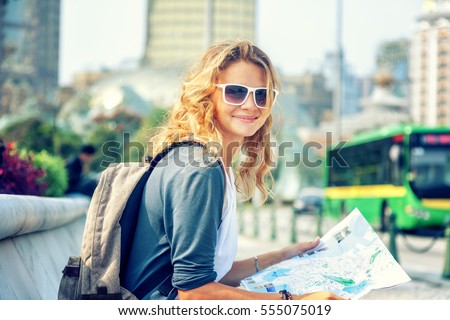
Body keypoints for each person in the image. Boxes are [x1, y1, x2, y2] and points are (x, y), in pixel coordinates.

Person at [121, 40, 345, 300]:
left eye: (262, 95)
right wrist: (295, 303)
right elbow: (193, 292)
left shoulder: (213, 162)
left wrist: (283, 256)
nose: (252, 105)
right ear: (206, 95)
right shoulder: (200, 168)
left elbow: (213, 273)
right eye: (236, 91)